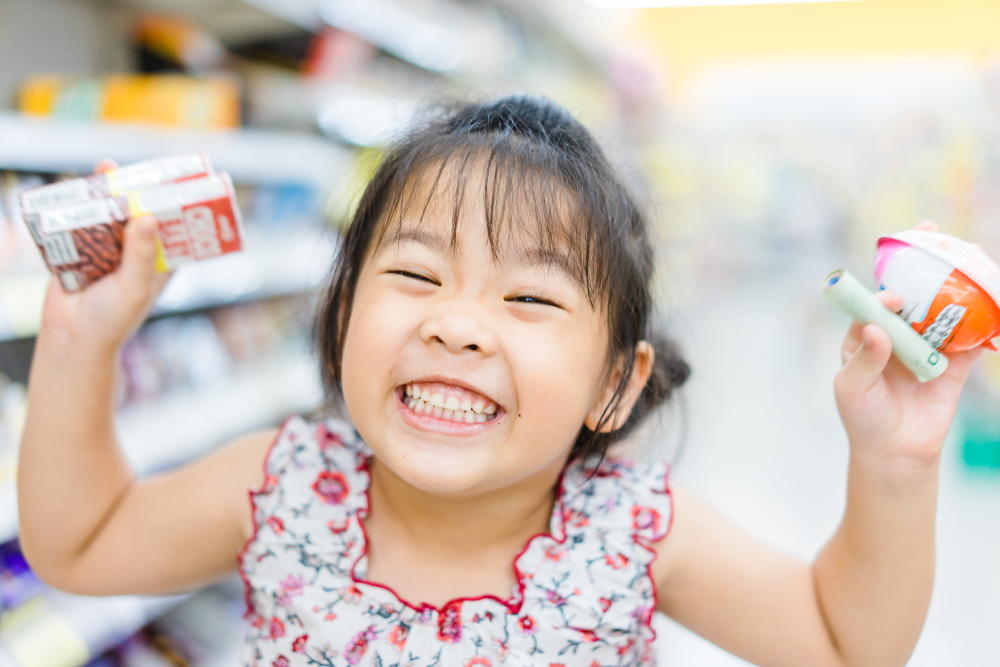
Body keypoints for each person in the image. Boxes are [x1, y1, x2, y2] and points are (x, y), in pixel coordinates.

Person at [18, 96, 983, 667]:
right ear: (342, 316)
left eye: (528, 297)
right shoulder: (282, 485)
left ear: (616, 383)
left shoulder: (634, 530)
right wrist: (78, 345)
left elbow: (845, 643)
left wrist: (895, 463)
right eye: (414, 274)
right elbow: (79, 544)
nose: (456, 323)